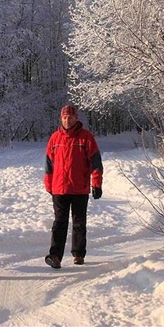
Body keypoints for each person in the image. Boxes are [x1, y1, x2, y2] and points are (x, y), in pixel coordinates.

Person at [43, 104, 103, 268]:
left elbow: (96, 162)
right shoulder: (55, 139)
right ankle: (55, 256)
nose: (67, 120)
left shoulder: (86, 137)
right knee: (59, 223)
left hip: (79, 188)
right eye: (64, 117)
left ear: (76, 118)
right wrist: (49, 185)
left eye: (70, 117)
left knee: (79, 223)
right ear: (61, 119)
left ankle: (78, 254)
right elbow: (49, 165)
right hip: (59, 189)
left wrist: (96, 183)